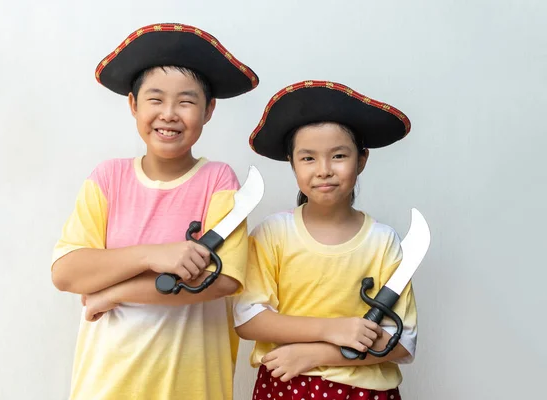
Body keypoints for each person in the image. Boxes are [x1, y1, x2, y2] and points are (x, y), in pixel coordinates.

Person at [50, 23, 259, 400]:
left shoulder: (218, 181)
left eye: (187, 101)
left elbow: (223, 280)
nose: (169, 114)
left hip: (193, 384)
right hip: (108, 381)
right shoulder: (108, 178)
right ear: (133, 104)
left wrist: (114, 293)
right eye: (155, 99)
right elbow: (67, 272)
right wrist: (154, 255)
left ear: (209, 110)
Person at [234, 80, 418, 400]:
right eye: (308, 158)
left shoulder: (383, 243)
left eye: (338, 156)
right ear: (292, 163)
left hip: (367, 392)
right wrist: (330, 330)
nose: (323, 170)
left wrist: (317, 353)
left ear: (361, 160)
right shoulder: (272, 234)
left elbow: (401, 341)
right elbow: (248, 319)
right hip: (286, 387)